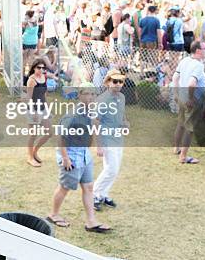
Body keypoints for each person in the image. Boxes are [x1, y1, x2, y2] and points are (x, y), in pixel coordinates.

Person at [47, 83, 111, 233]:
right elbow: (60, 137)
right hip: (71, 156)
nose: (90, 97)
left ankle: (91, 221)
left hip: (84, 154)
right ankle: (53, 214)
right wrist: (65, 158)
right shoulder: (73, 115)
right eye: (87, 94)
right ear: (79, 95)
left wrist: (97, 145)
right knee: (65, 187)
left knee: (89, 187)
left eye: (93, 94)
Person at [93, 69, 129, 211]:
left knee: (114, 169)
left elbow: (122, 114)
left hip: (118, 138)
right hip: (106, 138)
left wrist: (125, 123)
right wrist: (99, 145)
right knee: (111, 169)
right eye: (115, 81)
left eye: (120, 81)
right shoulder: (102, 100)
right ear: (108, 82)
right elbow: (95, 122)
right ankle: (94, 195)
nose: (118, 84)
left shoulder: (121, 97)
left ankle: (103, 194)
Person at [172, 41, 205, 164]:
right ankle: (183, 156)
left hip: (182, 98)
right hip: (192, 102)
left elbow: (175, 78)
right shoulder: (198, 65)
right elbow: (192, 83)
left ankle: (176, 148)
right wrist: (191, 98)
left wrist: (177, 95)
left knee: (181, 124)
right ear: (198, 50)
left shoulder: (184, 61)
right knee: (190, 128)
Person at [25, 58, 56, 167]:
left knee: (49, 133)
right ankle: (29, 157)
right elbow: (28, 97)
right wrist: (33, 112)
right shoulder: (31, 80)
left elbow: (44, 95)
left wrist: (47, 109)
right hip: (33, 109)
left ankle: (34, 152)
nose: (41, 69)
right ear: (34, 68)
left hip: (43, 109)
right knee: (33, 134)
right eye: (39, 67)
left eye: (43, 68)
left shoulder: (44, 77)